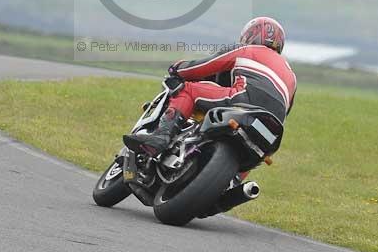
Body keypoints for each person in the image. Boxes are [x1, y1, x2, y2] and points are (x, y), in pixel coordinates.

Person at [123, 17, 297, 211]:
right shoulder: (291, 75)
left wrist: (178, 68)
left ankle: (161, 137)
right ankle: (232, 183)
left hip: (242, 100)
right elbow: (287, 109)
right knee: (256, 150)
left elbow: (206, 65)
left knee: (189, 90)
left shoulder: (248, 50)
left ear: (251, 35)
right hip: (273, 125)